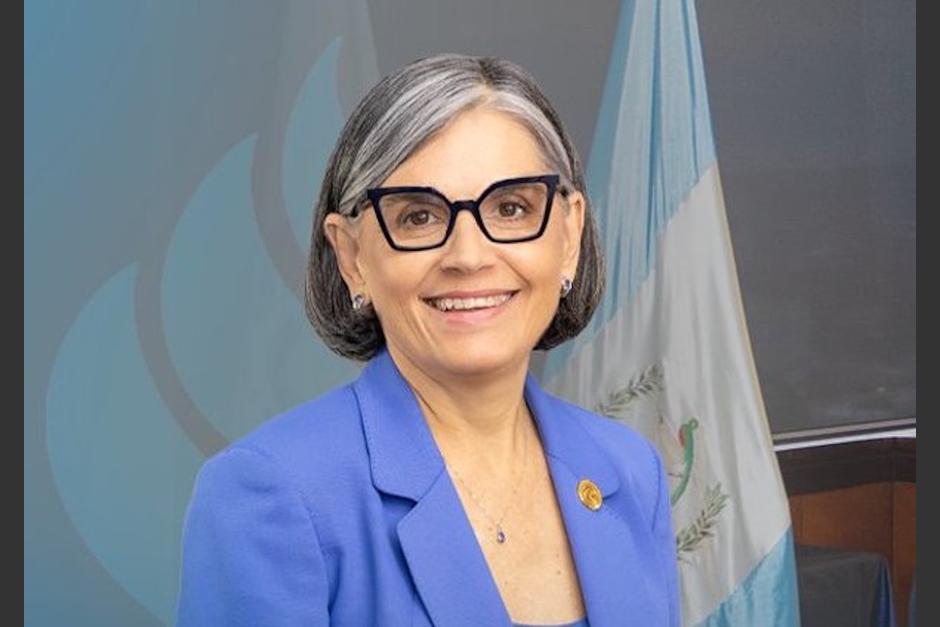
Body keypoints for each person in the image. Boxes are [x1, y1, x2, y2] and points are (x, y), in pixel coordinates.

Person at [176, 53, 680, 627]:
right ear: (352, 257)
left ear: (568, 237)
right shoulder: (271, 495)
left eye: (511, 208)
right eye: (419, 216)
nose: (469, 256)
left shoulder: (629, 471)